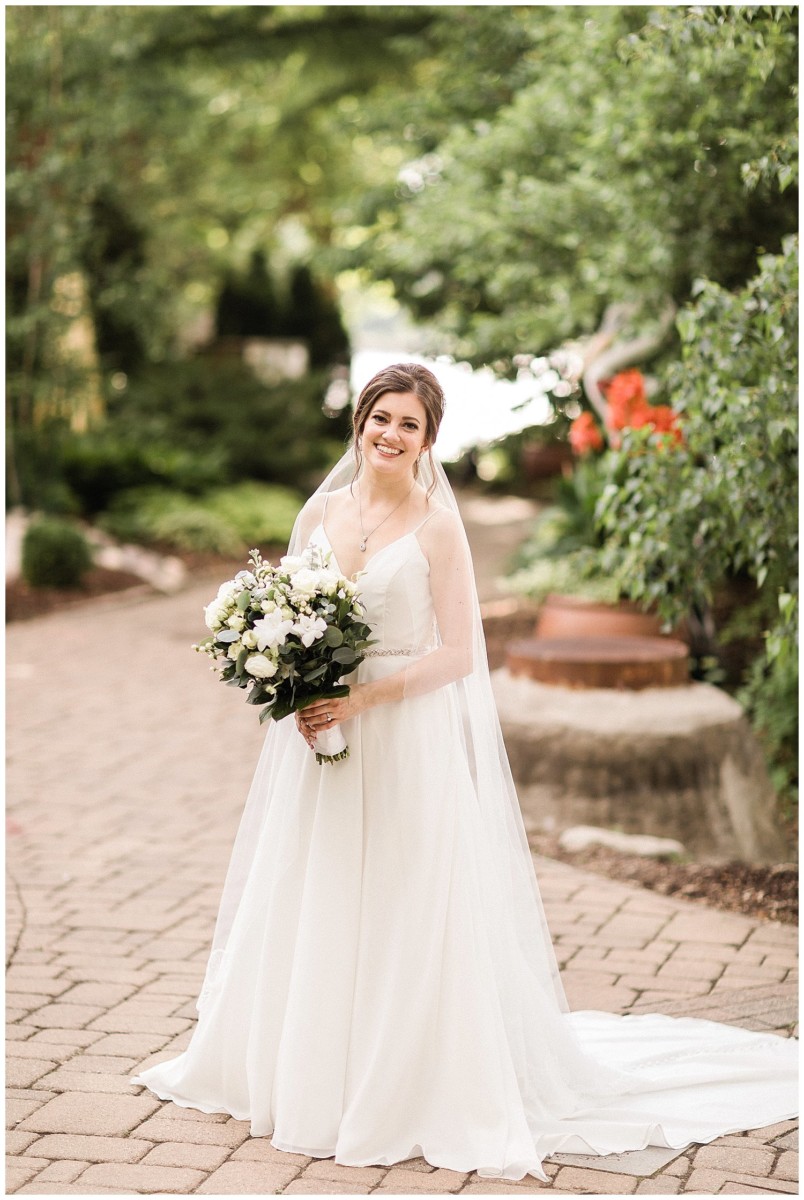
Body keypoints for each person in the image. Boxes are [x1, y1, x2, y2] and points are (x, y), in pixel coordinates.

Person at [133, 362, 797, 1181]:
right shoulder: (322, 512)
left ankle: (404, 1078)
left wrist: (363, 698)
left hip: (404, 733)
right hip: (320, 734)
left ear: (429, 440)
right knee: (323, 886)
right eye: (381, 416)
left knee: (409, 899)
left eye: (409, 425)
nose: (390, 434)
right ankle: (307, 1069)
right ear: (360, 422)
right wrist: (292, 681)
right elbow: (290, 617)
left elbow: (458, 655)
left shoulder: (438, 528)